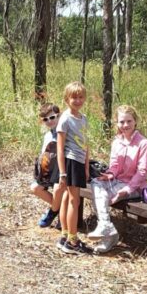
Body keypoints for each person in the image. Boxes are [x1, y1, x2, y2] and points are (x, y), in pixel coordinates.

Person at [87, 105, 147, 253]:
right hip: (117, 181)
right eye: (122, 122)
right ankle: (106, 225)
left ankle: (108, 234)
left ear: (135, 121)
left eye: (129, 121)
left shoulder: (143, 143)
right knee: (96, 183)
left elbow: (142, 171)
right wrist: (110, 174)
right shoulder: (117, 141)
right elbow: (115, 165)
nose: (125, 125)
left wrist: (126, 190)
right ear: (117, 123)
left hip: (135, 186)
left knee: (99, 196)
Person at [56, 82, 91, 255]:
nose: (77, 101)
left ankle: (65, 235)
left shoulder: (83, 118)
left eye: (80, 97)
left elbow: (85, 144)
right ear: (67, 99)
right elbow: (60, 148)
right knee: (73, 201)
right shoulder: (65, 119)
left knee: (68, 199)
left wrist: (86, 165)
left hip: (79, 161)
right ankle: (72, 239)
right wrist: (62, 172)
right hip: (69, 161)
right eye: (73, 97)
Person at [31, 102, 64, 228]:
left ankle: (53, 212)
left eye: (52, 117)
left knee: (58, 188)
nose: (49, 121)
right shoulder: (47, 135)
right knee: (35, 188)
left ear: (58, 116)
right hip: (49, 172)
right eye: (45, 119)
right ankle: (60, 209)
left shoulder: (64, 132)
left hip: (62, 172)